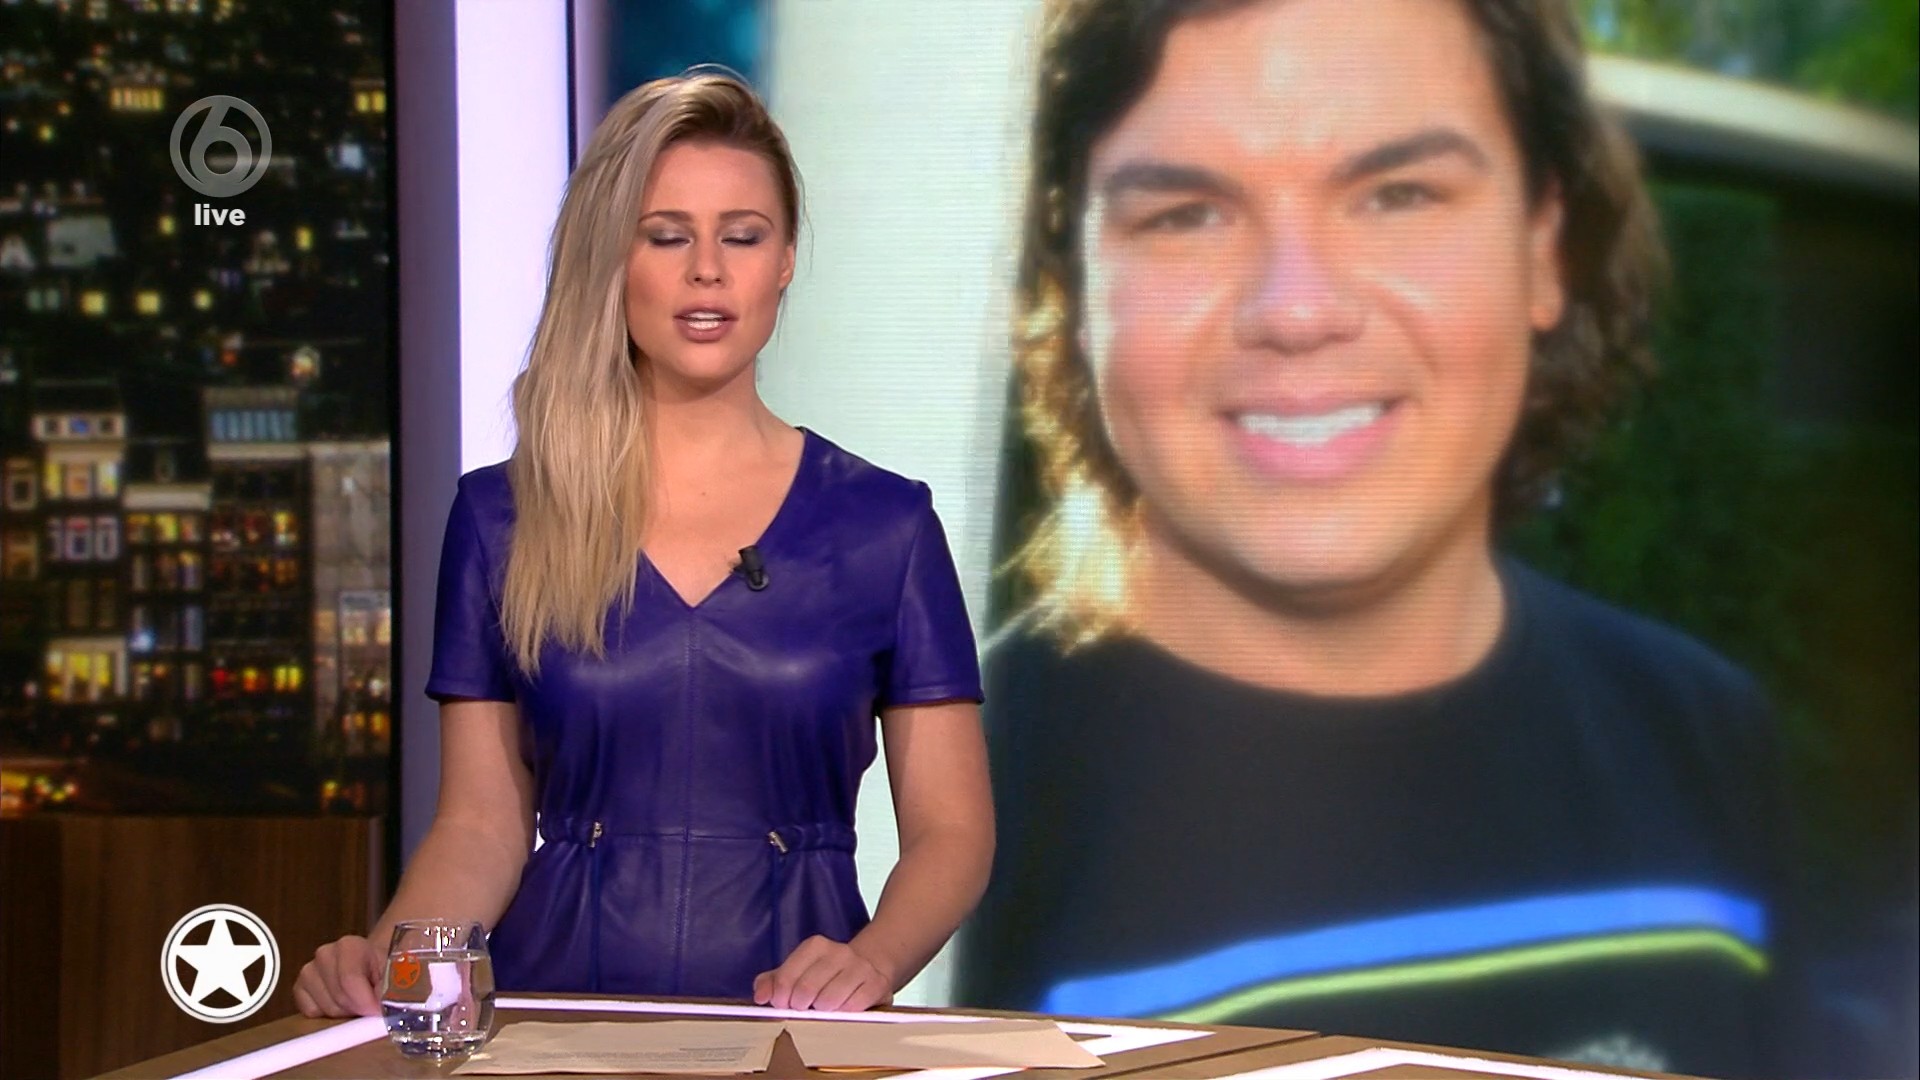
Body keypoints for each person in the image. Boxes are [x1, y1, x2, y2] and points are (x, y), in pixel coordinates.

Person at [954, 1, 1806, 1075]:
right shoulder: (894, 824)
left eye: (1399, 195)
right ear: (1071, 285)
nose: (1297, 309)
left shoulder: (1702, 739)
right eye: (1185, 214)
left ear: (1545, 248)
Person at [296, 72, 993, 1015]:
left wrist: (872, 961)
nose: (708, 270)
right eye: (666, 236)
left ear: (785, 260)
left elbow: (953, 834)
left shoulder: (886, 524)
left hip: (798, 1031)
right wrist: (395, 966)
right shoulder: (504, 517)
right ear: (612, 259)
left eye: (742, 236)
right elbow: (480, 826)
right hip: (554, 1025)